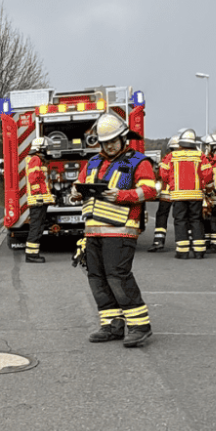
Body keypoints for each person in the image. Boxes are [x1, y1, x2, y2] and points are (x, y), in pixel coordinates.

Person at [73, 111, 158, 347]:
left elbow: (150, 190)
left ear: (123, 138)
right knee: (97, 278)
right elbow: (78, 184)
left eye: (113, 141)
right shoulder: (93, 162)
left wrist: (122, 195)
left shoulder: (138, 161)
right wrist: (75, 193)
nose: (109, 146)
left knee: (118, 277)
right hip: (93, 231)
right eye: (105, 142)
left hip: (122, 230)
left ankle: (140, 326)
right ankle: (111, 325)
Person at [160, 128, 211, 259]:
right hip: (196, 195)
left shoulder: (171, 156)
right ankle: (199, 251)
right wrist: (204, 186)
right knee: (196, 220)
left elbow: (163, 174)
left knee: (180, 221)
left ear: (181, 143)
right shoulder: (200, 156)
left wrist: (171, 183)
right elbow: (208, 174)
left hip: (178, 195)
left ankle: (182, 251)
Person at [22, 133, 51, 263]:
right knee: (36, 227)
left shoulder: (37, 159)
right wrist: (40, 194)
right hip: (37, 200)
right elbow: (34, 179)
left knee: (38, 227)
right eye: (45, 148)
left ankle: (33, 254)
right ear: (40, 148)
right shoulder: (36, 159)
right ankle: (31, 255)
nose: (47, 150)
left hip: (38, 199)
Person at [149, 136, 178, 251]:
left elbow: (162, 174)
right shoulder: (188, 158)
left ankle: (158, 241)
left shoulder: (168, 158)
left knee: (162, 214)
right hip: (182, 193)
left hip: (167, 192)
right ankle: (185, 241)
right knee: (181, 217)